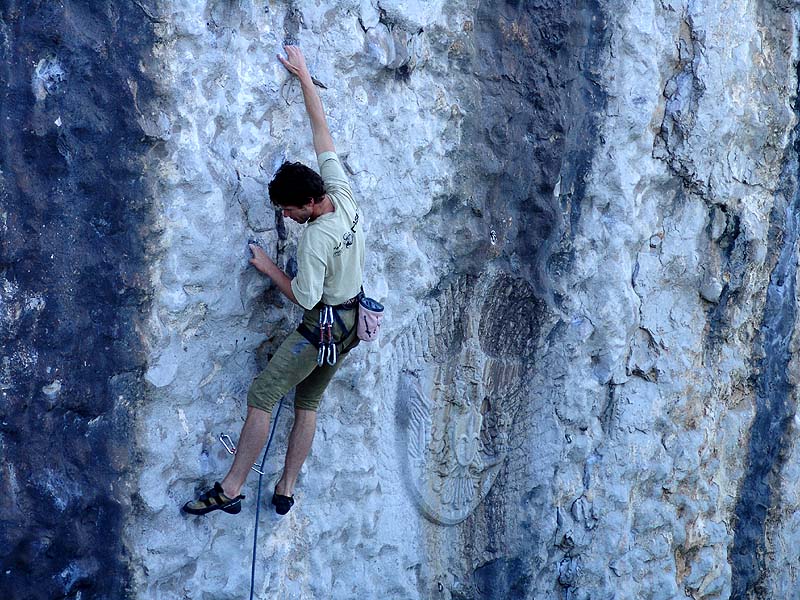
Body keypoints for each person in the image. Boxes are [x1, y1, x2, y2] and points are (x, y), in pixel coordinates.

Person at [183, 45, 365, 517]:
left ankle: (232, 486)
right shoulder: (341, 193)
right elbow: (320, 128)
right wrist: (305, 76)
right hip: (351, 325)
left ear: (307, 202)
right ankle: (285, 488)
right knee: (309, 402)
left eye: (288, 209)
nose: (285, 216)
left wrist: (267, 267)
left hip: (320, 326)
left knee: (263, 395)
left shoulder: (316, 239)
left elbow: (304, 297)